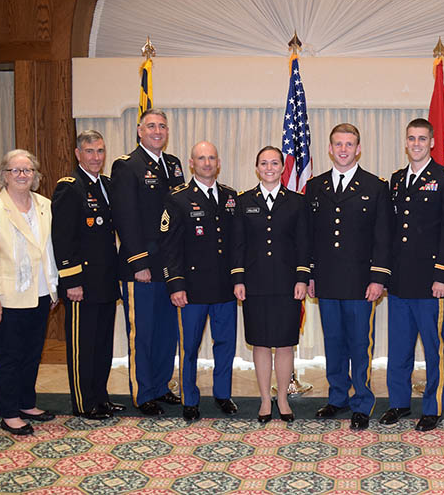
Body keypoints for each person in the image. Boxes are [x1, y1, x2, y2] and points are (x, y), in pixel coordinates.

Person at [306, 124, 392, 431]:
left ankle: (362, 402)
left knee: (359, 344)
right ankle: (337, 397)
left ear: (358, 149)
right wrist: (311, 273)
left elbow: (383, 237)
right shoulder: (315, 187)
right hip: (327, 280)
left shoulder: (375, 186)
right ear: (330, 149)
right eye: (338, 144)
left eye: (349, 144)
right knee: (333, 342)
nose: (343, 149)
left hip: (360, 282)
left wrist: (378, 278)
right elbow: (310, 236)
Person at [379, 118, 444, 432]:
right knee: (399, 347)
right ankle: (399, 403)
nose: (416, 143)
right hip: (401, 280)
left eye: (422, 138)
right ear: (406, 142)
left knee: (433, 348)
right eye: (411, 138)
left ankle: (433, 407)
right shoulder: (397, 180)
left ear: (431, 142)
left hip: (431, 283)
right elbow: (392, 231)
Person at [0, 149, 59, 435]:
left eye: (28, 170)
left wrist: (52, 288)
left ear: (35, 175)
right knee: (9, 356)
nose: (23, 175)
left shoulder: (45, 205)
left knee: (32, 353)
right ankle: (9, 412)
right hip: (4, 297)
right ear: (4, 175)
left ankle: (26, 403)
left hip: (39, 292)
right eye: (16, 170)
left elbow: (48, 250)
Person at [110, 108, 185, 415]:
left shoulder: (173, 165)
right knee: (142, 332)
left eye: (162, 127)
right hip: (141, 268)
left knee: (167, 331)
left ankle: (161, 384)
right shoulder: (127, 166)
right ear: (139, 131)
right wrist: (139, 262)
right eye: (151, 126)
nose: (157, 131)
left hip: (169, 266)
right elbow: (125, 218)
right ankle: (143, 393)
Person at [160, 141, 240, 422]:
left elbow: (236, 244)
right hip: (191, 289)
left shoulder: (231, 197)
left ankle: (222, 394)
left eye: (212, 158)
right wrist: (175, 284)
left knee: (225, 344)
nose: (207, 163)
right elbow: (169, 246)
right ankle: (189, 398)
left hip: (224, 288)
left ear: (218, 163)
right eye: (201, 158)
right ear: (191, 163)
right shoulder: (178, 197)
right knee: (189, 346)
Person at [233, 146, 310, 423]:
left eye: (274, 163)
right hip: (254, 284)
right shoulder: (243, 202)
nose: (269, 168)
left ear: (282, 167)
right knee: (261, 344)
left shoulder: (297, 202)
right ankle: (265, 399)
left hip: (288, 283)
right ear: (257, 168)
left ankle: (283, 399)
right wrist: (238, 279)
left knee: (286, 343)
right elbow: (238, 245)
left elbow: (304, 244)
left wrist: (302, 278)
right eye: (263, 163)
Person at [52, 130, 123, 420]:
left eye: (101, 151)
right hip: (81, 284)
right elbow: (63, 238)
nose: (96, 157)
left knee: (102, 344)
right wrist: (71, 282)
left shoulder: (105, 185)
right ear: (78, 154)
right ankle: (83, 403)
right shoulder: (70, 187)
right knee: (83, 346)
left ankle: (100, 397)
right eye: (90, 151)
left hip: (106, 281)